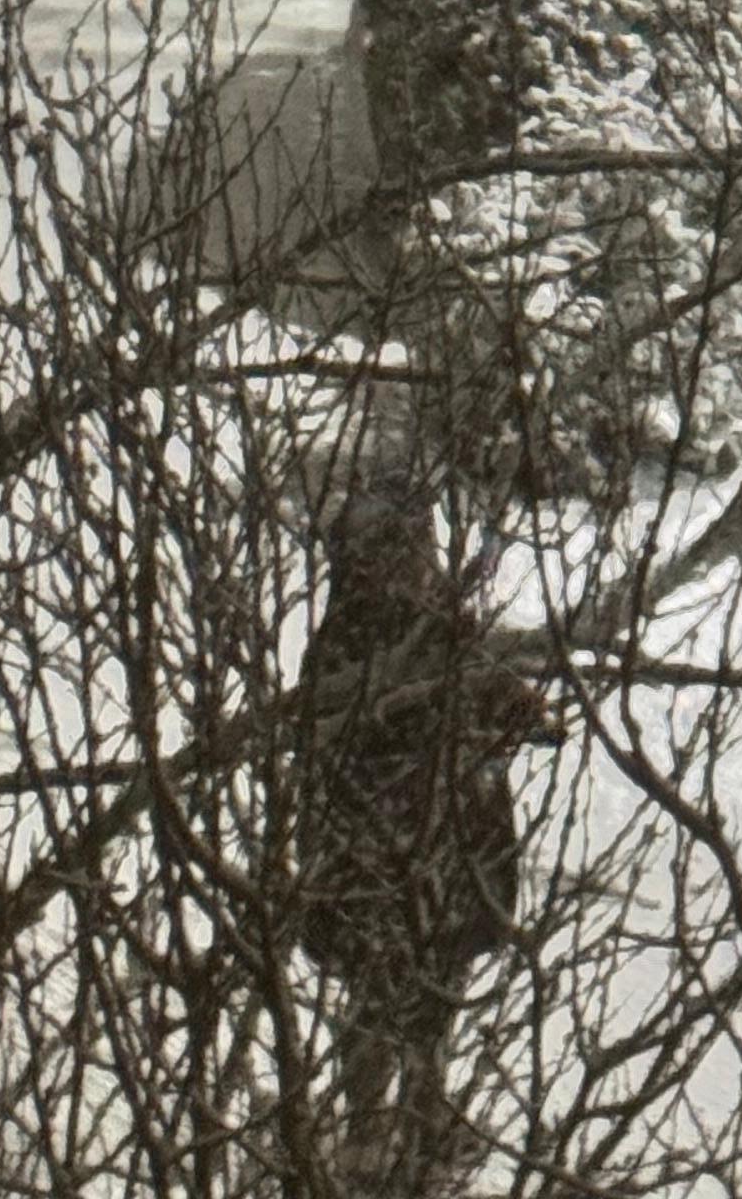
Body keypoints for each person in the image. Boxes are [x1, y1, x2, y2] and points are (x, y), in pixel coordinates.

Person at [291, 488, 555, 1196]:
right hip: (391, 856)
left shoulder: (419, 632)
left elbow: (499, 701)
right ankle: (376, 1133)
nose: (419, 564)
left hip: (429, 856)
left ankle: (414, 1120)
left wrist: (520, 708)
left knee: (420, 994)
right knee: (386, 996)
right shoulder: (366, 644)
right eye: (408, 550)